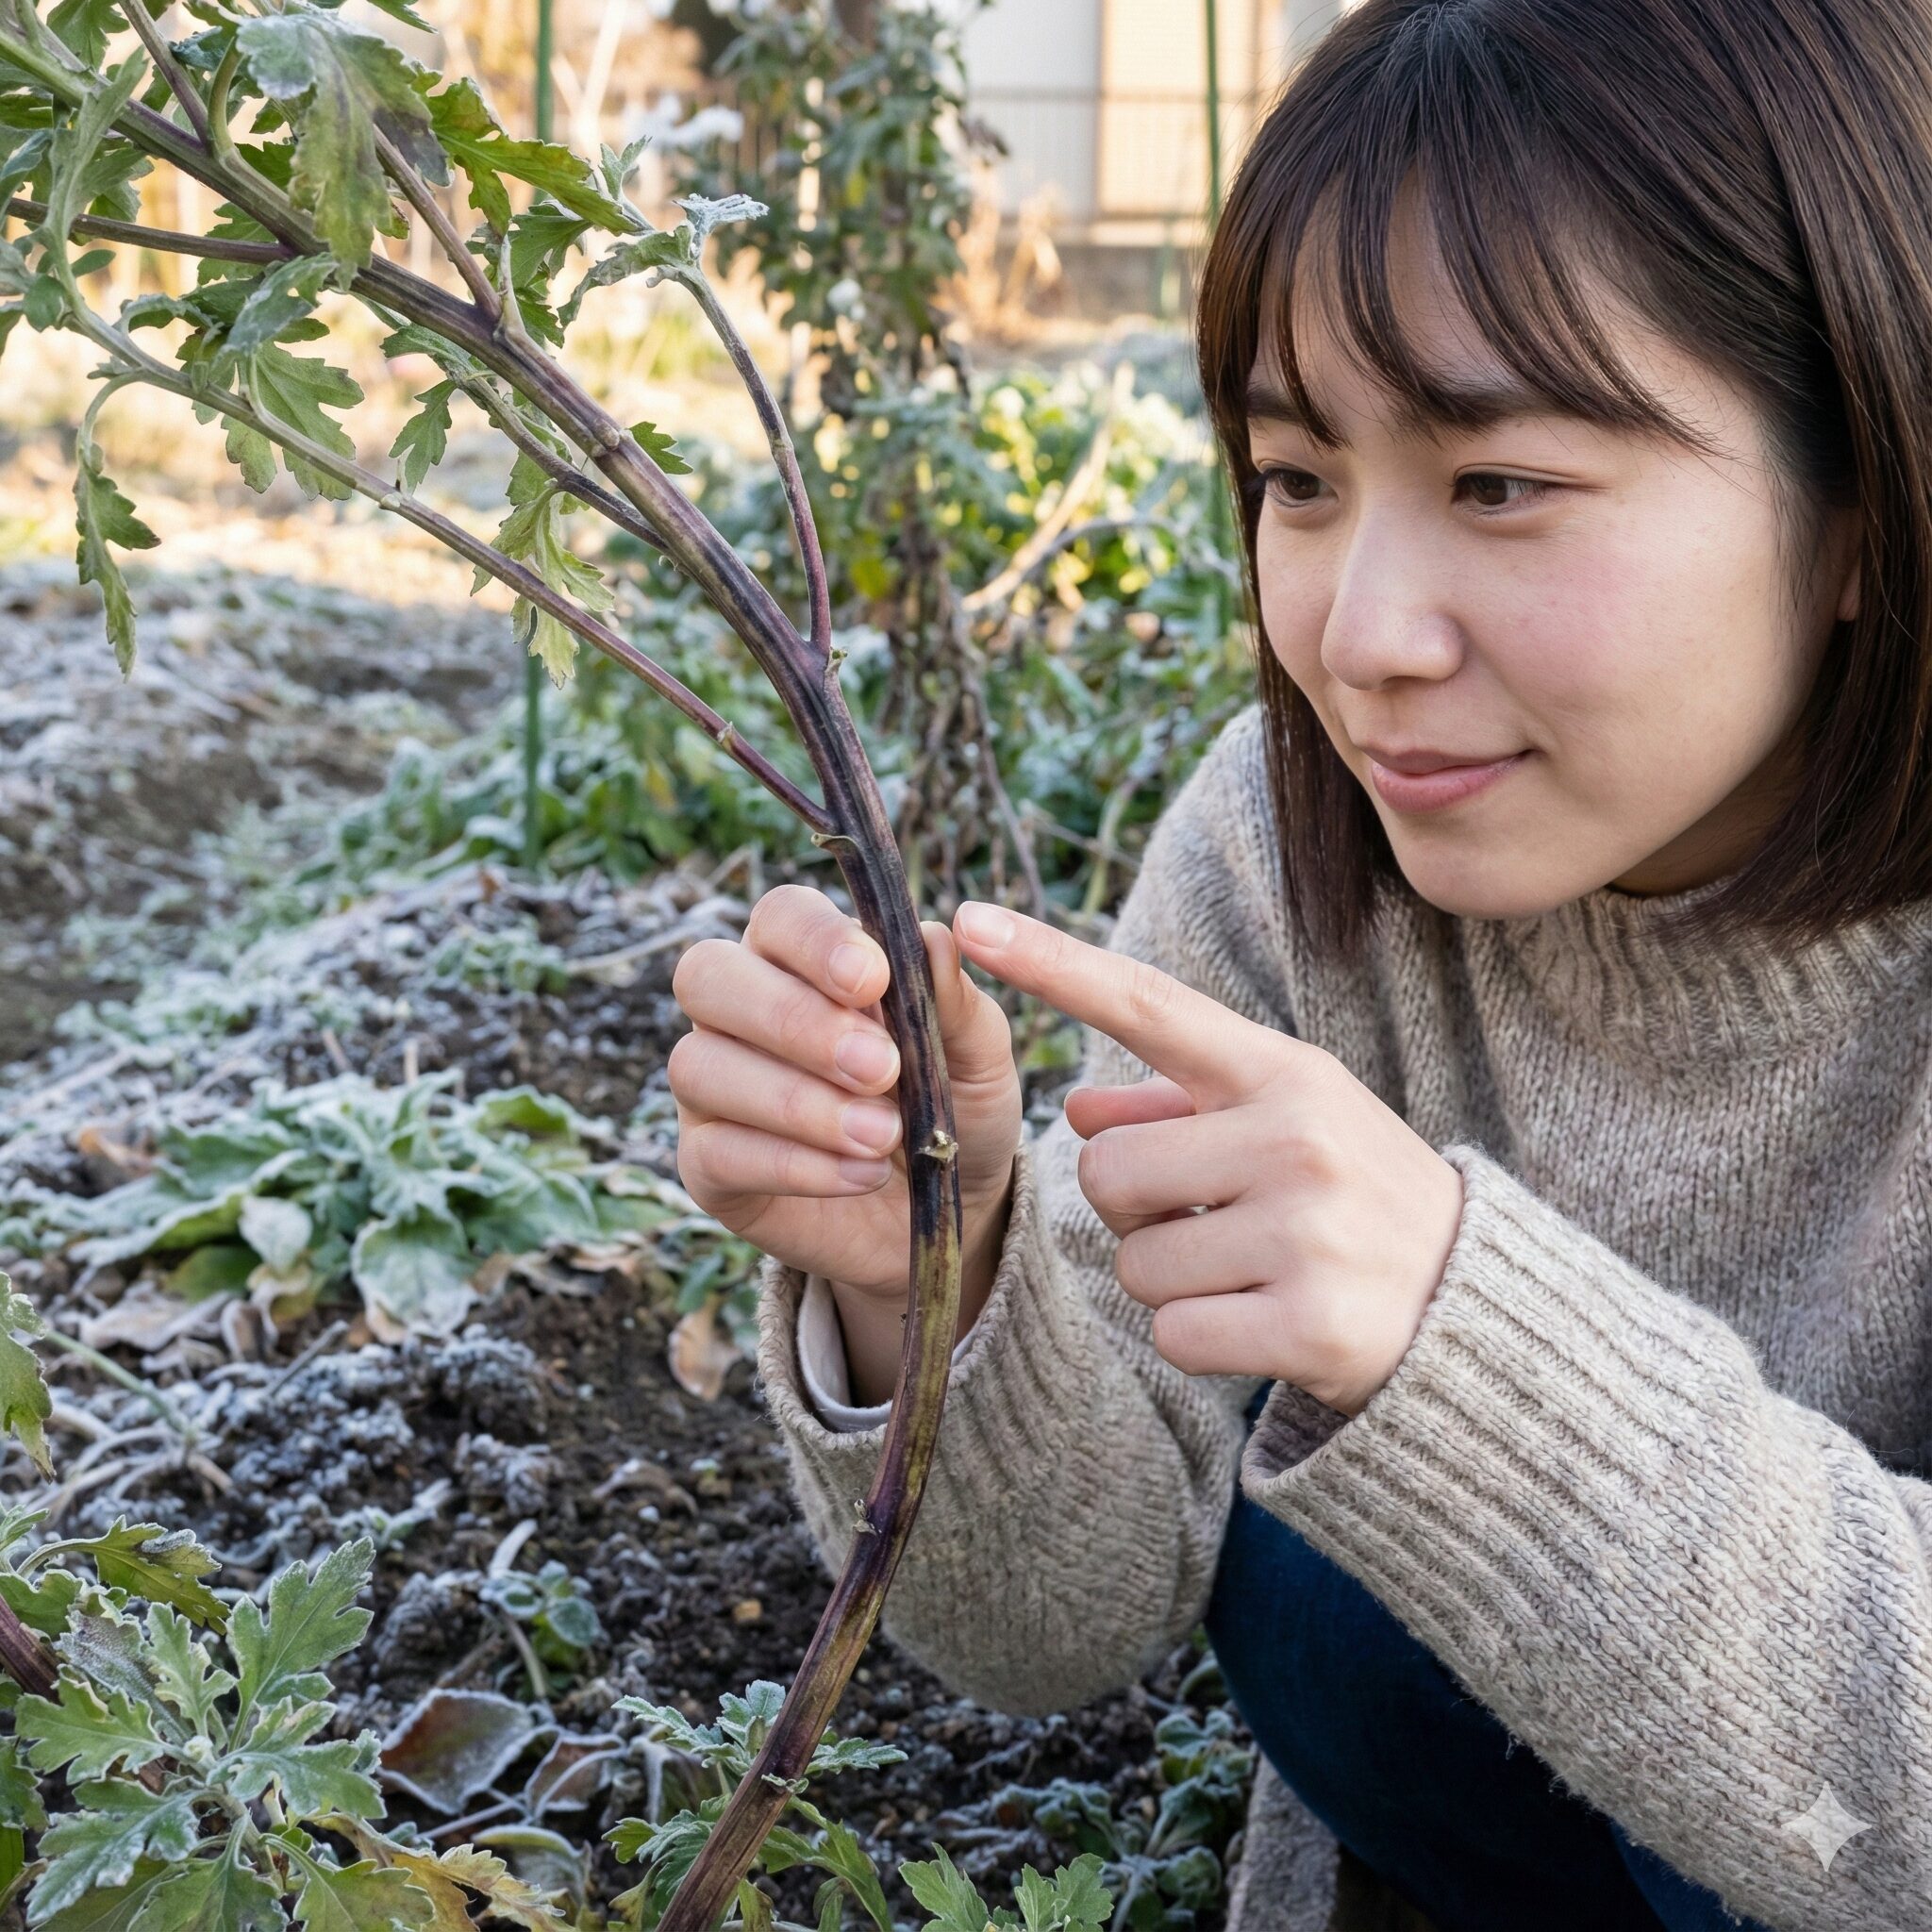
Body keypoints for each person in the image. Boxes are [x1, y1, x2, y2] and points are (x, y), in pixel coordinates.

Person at [664, 1, 1932, 1926]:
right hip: (1498, 1843)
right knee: (1313, 1553)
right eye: (1297, 478)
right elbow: (1053, 1627)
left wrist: (1461, 1335)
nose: (1357, 635)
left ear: (1858, 496)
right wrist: (941, 1270)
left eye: (1498, 482)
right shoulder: (1279, 845)